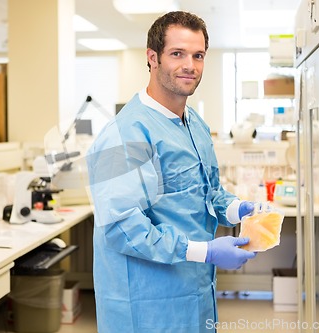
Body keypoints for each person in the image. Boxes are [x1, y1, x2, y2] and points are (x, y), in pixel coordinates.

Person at [86, 11, 258, 333]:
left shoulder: (194, 124)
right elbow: (122, 228)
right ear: (152, 58)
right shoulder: (125, 134)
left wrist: (238, 209)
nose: (190, 65)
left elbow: (207, 192)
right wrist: (205, 251)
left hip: (195, 295)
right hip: (147, 305)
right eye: (177, 54)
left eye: (198, 55)